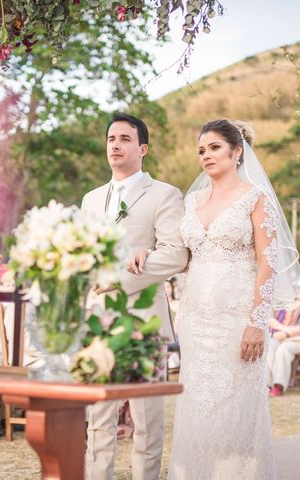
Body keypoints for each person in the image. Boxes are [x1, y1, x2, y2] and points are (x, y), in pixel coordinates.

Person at [163, 119, 300, 478]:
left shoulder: (255, 198)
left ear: (236, 151)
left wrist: (256, 323)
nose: (205, 156)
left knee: (237, 413)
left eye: (213, 148)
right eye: (201, 150)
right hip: (195, 321)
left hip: (239, 322)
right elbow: (180, 256)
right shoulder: (192, 201)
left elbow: (268, 266)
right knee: (195, 408)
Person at [81, 112, 188, 479]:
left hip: (146, 319)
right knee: (98, 417)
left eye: (125, 139)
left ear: (142, 148)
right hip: (99, 320)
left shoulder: (164, 194)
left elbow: (176, 253)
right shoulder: (91, 199)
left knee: (147, 421)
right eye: (112, 138)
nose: (116, 145)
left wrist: (121, 280)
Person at [266, 293, 300, 396]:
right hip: (279, 336)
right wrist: (284, 330)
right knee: (269, 346)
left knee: (283, 349)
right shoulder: (283, 303)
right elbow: (270, 320)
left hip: (299, 341)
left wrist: (286, 334)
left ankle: (278, 386)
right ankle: (267, 385)